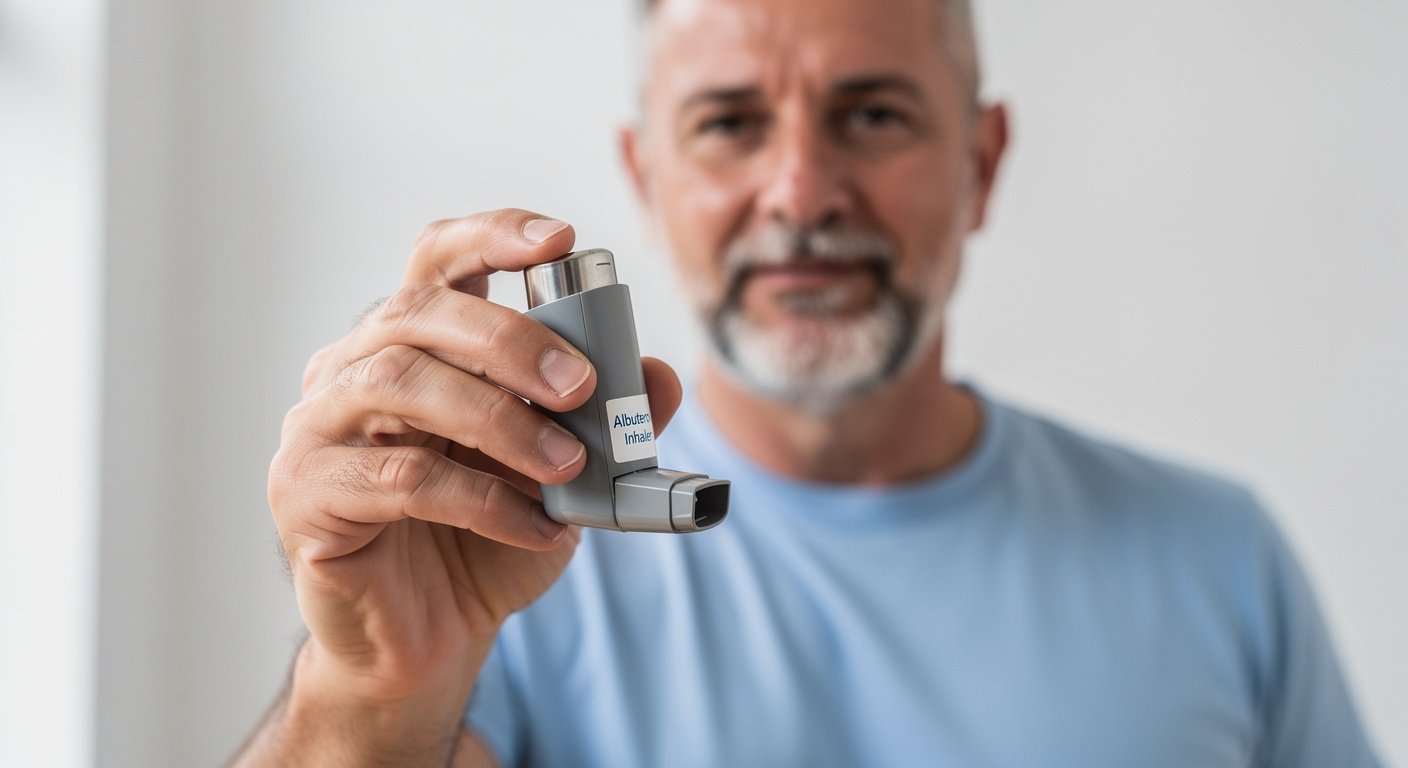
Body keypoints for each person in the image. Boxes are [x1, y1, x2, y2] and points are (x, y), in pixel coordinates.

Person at [230, 0, 1383, 765]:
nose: (800, 191)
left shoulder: (1219, 565)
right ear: (649, 174)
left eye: (870, 115)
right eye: (729, 123)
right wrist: (371, 695)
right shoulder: (506, 565)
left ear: (979, 166)